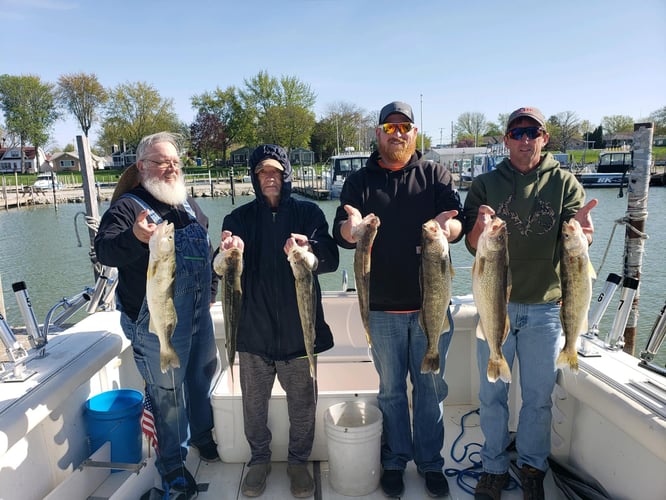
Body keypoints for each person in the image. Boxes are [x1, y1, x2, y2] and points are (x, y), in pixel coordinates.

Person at [462, 107, 598, 500]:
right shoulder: (485, 183)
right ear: (506, 140)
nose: (524, 140)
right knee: (491, 395)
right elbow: (473, 244)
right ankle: (493, 466)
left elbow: (578, 236)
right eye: (517, 133)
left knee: (538, 398)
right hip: (494, 305)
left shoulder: (565, 183)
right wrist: (479, 226)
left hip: (545, 310)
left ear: (544, 138)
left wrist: (585, 237)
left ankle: (533, 466)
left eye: (532, 133)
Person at [332, 101, 464, 498]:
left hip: (431, 307)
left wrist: (449, 229)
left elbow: (456, 220)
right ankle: (394, 460)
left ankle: (430, 462)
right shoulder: (360, 180)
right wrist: (352, 231)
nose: (398, 133)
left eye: (404, 126)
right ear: (378, 134)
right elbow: (341, 229)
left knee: (429, 389)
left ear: (414, 132)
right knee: (390, 390)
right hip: (382, 309)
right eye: (390, 128)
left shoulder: (435, 173)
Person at [94, 131, 219, 499]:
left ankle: (202, 436)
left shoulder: (186, 204)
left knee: (201, 377)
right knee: (168, 396)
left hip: (198, 316)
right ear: (142, 166)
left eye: (175, 162)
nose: (171, 168)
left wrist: (210, 292)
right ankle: (174, 468)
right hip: (154, 324)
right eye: (163, 162)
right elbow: (104, 252)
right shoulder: (127, 208)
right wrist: (134, 237)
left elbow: (205, 253)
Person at [217, 144, 339, 498]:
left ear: (286, 175)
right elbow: (221, 265)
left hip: (300, 335)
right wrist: (228, 251)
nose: (269, 178)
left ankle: (299, 462)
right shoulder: (237, 220)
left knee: (303, 407)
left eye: (275, 172)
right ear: (255, 179)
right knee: (253, 407)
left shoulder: (309, 213)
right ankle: (259, 460)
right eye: (262, 173)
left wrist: (309, 248)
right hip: (253, 335)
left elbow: (330, 259)